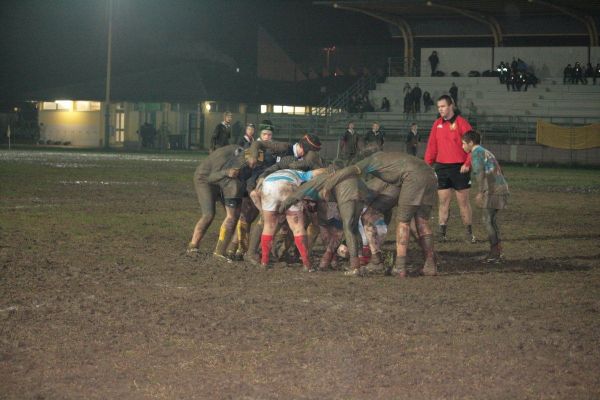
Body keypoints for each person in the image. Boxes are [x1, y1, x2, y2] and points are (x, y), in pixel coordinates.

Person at [320, 150, 438, 278]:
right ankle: (430, 264)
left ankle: (400, 266)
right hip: (430, 173)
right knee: (420, 222)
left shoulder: (371, 161)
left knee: (404, 221)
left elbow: (350, 170)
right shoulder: (390, 161)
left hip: (413, 177)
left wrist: (328, 185)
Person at [186, 144, 259, 259]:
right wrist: (226, 173)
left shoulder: (242, 154)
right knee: (208, 214)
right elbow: (211, 178)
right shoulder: (224, 158)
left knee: (234, 216)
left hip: (223, 181)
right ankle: (193, 245)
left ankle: (231, 248)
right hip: (205, 180)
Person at [424, 94, 476, 243]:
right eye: (438, 107)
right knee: (443, 202)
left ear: (451, 106)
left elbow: (473, 146)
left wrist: (467, 164)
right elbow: (431, 147)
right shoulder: (436, 124)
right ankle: (442, 233)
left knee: (463, 203)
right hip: (441, 168)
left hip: (460, 168)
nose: (440, 109)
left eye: (443, 106)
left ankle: (468, 233)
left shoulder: (462, 123)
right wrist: (426, 165)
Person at [258, 168, 326, 270]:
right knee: (297, 227)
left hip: (268, 185)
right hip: (287, 186)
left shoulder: (279, 172)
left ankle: (264, 261)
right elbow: (317, 172)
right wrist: (330, 170)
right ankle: (307, 264)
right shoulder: (301, 174)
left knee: (269, 226)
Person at [461, 131, 509, 263]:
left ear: (471, 143)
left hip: (494, 190)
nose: (462, 146)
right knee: (491, 220)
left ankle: (495, 254)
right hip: (501, 187)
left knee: (487, 220)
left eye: (464, 143)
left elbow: (479, 173)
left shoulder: (475, 153)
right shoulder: (485, 151)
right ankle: (497, 252)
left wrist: (481, 192)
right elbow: (500, 170)